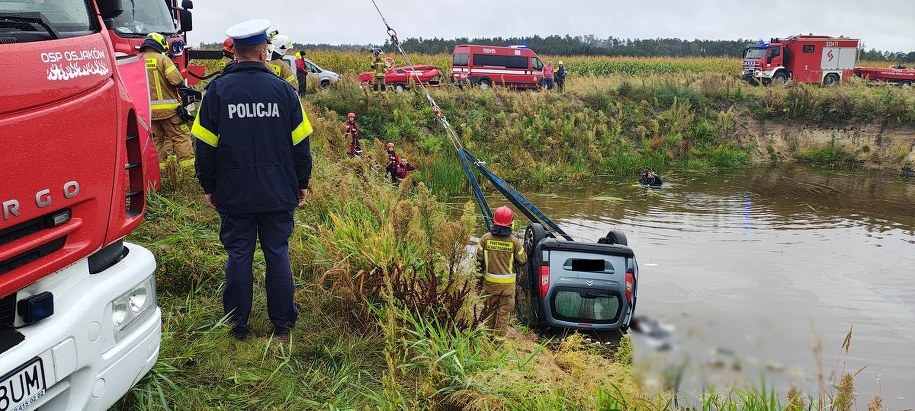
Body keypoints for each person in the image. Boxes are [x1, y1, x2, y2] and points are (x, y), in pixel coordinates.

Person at [192, 19, 313, 340]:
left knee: (239, 254)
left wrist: (209, 186)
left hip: (234, 192)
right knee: (277, 251)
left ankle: (237, 324)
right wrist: (302, 183)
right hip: (279, 190)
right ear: (263, 53)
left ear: (236, 55)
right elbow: (302, 145)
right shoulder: (285, 92)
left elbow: (204, 147)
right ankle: (283, 323)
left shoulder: (216, 91)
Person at [141, 32, 194, 168]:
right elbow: (175, 79)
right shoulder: (162, 59)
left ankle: (161, 173)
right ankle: (187, 172)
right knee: (181, 136)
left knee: (156, 141)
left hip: (149, 112)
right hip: (169, 110)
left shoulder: (138, 60)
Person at [475, 206, 527, 337]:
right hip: (507, 287)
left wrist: (478, 281)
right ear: (511, 224)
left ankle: (487, 338)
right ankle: (498, 342)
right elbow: (523, 260)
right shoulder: (514, 242)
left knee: (489, 311)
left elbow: (478, 261)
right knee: (503, 314)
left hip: (490, 285)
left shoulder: (485, 239)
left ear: (494, 222)